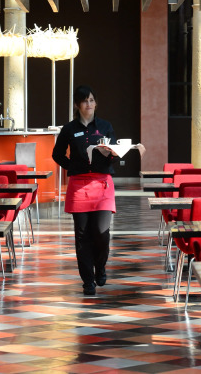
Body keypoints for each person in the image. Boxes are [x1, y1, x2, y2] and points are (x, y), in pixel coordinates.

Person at [52, 85, 119, 295]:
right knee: (82, 236)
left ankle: (100, 267)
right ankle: (88, 281)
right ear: (77, 105)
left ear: (95, 103)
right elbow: (57, 154)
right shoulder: (69, 129)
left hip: (102, 184)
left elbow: (115, 152)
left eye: (91, 100)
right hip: (79, 186)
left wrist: (111, 154)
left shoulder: (105, 126)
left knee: (101, 233)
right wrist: (72, 166)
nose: (88, 104)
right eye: (84, 100)